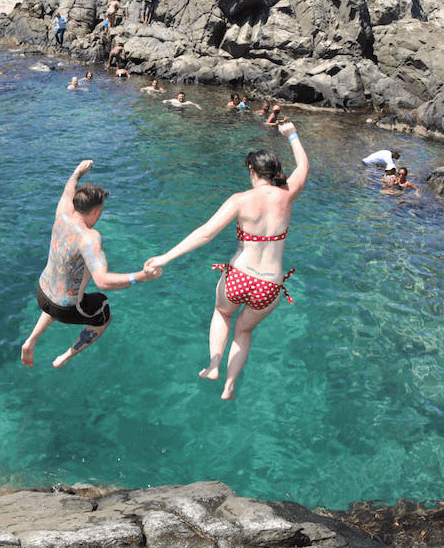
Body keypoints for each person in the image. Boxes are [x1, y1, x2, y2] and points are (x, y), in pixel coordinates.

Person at [145, 122, 309, 399]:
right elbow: (303, 167)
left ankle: (213, 366)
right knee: (243, 332)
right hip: (269, 285)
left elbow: (205, 234)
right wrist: (292, 135)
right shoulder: (287, 195)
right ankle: (230, 385)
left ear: (252, 171)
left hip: (239, 276)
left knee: (222, 314)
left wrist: (165, 257)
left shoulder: (240, 200)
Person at [22, 161, 160, 368]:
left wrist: (77, 172)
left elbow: (69, 189)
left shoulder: (62, 212)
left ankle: (31, 340)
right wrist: (141, 275)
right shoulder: (89, 238)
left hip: (42, 293)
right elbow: (102, 281)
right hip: (66, 308)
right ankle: (65, 356)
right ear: (95, 212)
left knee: (58, 293)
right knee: (103, 312)